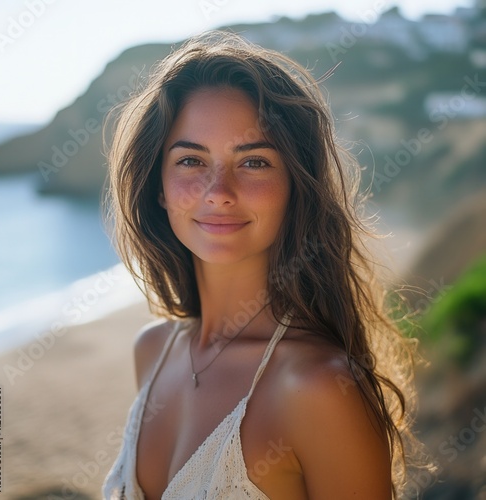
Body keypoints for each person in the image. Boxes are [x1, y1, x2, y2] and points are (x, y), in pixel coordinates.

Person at [102, 31, 426, 499]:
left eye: (253, 162)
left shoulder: (317, 387)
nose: (218, 190)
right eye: (191, 159)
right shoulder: (152, 352)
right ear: (159, 187)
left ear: (296, 186)